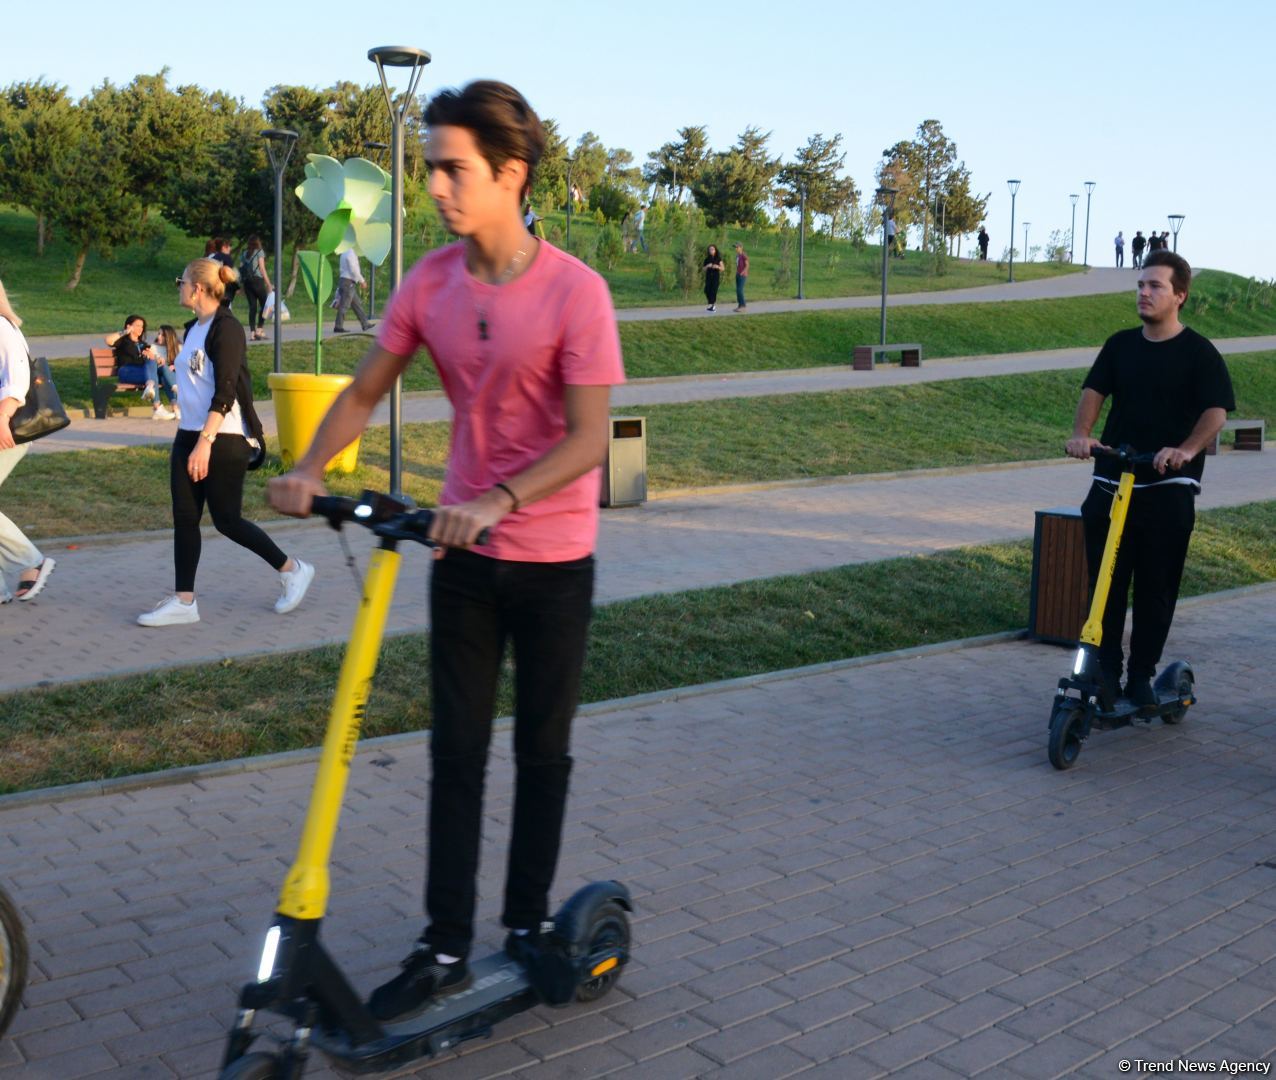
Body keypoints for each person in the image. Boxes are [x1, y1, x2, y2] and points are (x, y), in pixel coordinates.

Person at [267, 78, 625, 1022]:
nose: (434, 185)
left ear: (510, 174)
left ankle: (525, 924)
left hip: (552, 559)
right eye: (429, 167)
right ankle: (444, 942)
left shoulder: (576, 293)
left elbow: (591, 438)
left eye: (451, 168)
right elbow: (363, 389)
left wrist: (502, 499)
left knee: (542, 753)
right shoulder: (428, 281)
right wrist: (306, 468)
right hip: (461, 557)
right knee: (455, 753)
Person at [1064, 250, 1234, 710]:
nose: (1143, 291)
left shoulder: (1199, 353)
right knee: (1107, 583)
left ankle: (1142, 675)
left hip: (1167, 486)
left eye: (1155, 286)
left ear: (1179, 295)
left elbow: (1215, 412)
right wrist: (1082, 435)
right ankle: (1106, 672)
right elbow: (1093, 392)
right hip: (1113, 480)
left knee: (1156, 586)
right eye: (1141, 284)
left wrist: (1185, 450)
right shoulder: (1120, 345)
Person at [136, 258, 315, 628]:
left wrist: (205, 441)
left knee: (227, 520)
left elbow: (227, 390)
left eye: (181, 281)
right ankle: (185, 601)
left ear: (198, 288)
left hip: (224, 435)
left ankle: (293, 568)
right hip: (190, 432)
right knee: (185, 517)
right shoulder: (196, 327)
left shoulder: (227, 328)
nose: (179, 287)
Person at [0, 278, 55, 603]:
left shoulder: (2, 327)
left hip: (7, 428)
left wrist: (3, 417)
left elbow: (18, 375)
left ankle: (31, 562)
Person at [107, 316, 177, 421]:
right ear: (129, 326)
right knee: (153, 371)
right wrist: (126, 331)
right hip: (127, 371)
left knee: (159, 367)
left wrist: (157, 358)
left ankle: (157, 396)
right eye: (138, 326)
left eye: (142, 326)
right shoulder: (122, 341)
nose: (141, 329)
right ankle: (160, 402)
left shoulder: (144, 345)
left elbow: (152, 362)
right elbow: (108, 340)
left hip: (143, 372)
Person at [238, 236, 272, 341]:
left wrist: (241, 285)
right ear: (258, 243)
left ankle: (252, 334)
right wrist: (268, 284)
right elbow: (262, 268)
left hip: (247, 283)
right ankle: (259, 330)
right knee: (265, 305)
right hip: (258, 281)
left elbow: (241, 269)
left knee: (252, 307)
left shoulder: (244, 254)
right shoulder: (259, 252)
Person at [333, 248, 373, 334]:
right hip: (348, 282)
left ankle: (365, 324)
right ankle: (338, 326)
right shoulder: (350, 253)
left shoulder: (345, 252)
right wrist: (362, 281)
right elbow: (353, 269)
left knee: (357, 304)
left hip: (346, 281)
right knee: (344, 305)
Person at [209, 238, 239, 310]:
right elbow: (230, 275)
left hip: (214, 284)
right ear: (223, 247)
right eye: (229, 246)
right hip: (225, 287)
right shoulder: (227, 258)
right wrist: (237, 287)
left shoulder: (213, 258)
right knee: (226, 308)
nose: (230, 248)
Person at [702, 244, 725, 312]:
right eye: (710, 250)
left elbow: (723, 268)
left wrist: (717, 267)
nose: (711, 251)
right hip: (708, 276)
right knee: (706, 290)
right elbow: (703, 269)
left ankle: (712, 305)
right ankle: (711, 303)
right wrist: (707, 266)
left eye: (712, 249)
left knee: (713, 290)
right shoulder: (707, 259)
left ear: (715, 250)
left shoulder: (718, 258)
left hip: (715, 276)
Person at [733, 242, 749, 312]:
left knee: (740, 290)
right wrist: (737, 273)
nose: (736, 248)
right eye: (735, 247)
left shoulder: (743, 255)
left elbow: (747, 265)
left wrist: (742, 272)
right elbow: (738, 266)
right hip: (738, 274)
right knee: (737, 290)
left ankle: (743, 306)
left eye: (737, 247)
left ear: (741, 247)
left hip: (742, 275)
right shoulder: (737, 256)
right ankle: (739, 306)